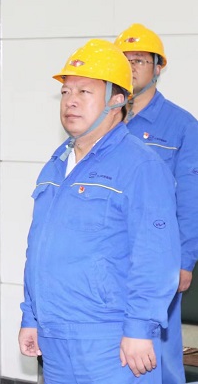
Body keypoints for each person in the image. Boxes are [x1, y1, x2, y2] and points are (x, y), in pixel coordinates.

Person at [18, 39, 180, 383]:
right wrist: (31, 316)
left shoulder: (141, 165)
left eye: (84, 92)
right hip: (55, 335)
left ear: (117, 99)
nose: (70, 101)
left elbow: (156, 256)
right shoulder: (56, 164)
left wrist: (140, 328)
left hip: (112, 341)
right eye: (66, 92)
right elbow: (39, 249)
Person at [115, 23, 198, 384]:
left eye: (139, 60)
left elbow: (191, 198)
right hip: (111, 257)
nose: (131, 67)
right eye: (124, 60)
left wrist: (184, 261)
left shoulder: (181, 126)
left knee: (160, 353)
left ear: (158, 67)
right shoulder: (106, 120)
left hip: (158, 261)